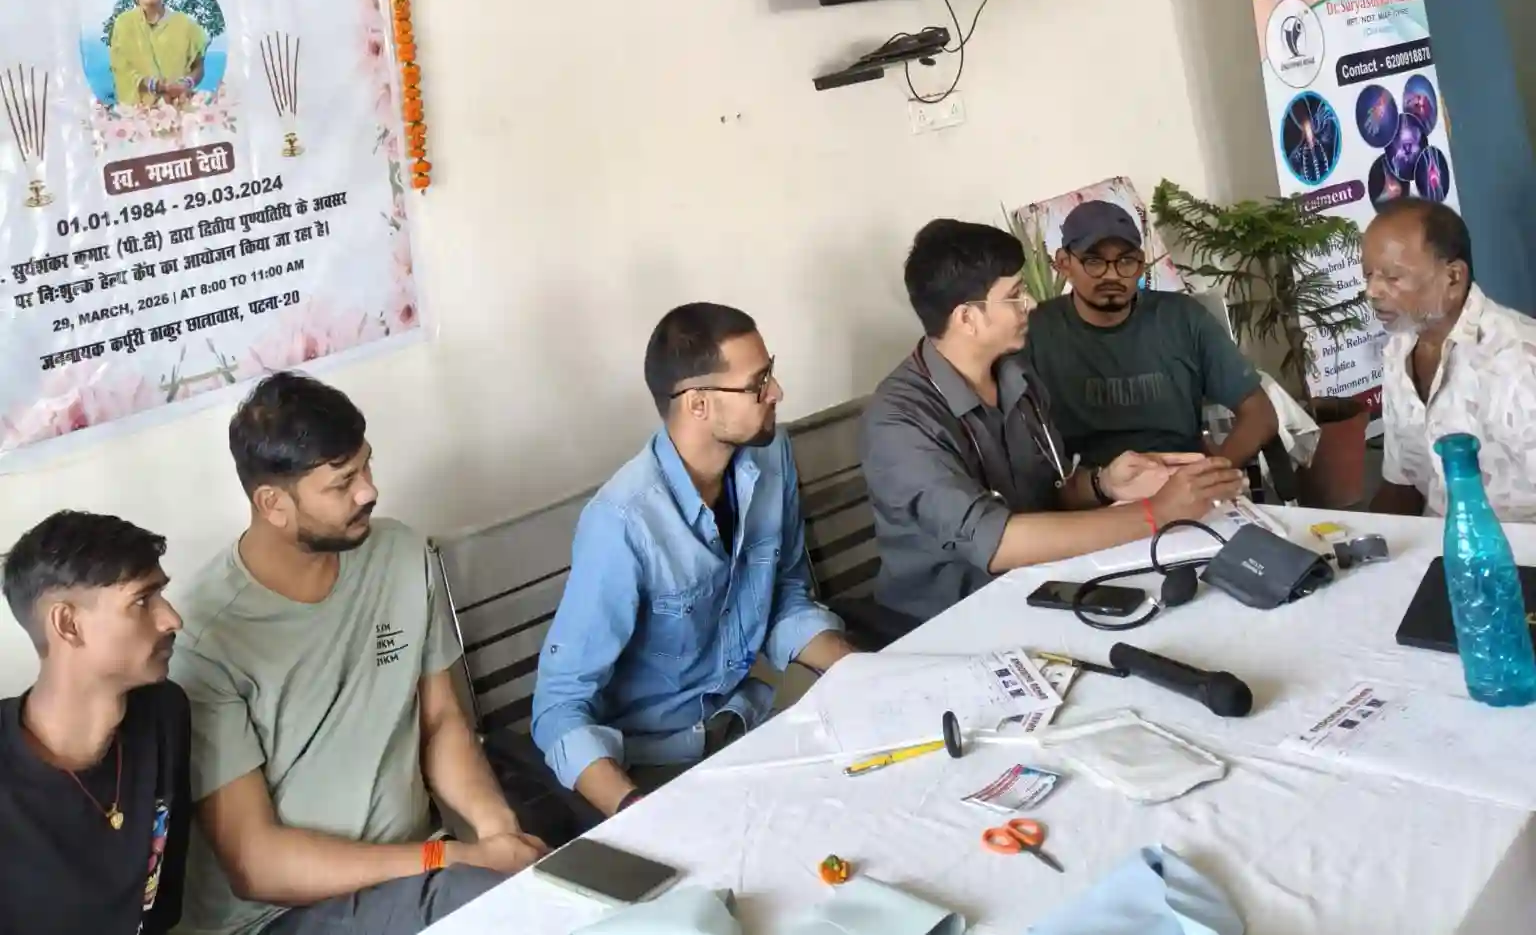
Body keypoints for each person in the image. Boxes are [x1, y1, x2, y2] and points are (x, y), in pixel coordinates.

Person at [170, 372, 548, 935]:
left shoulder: (399, 555)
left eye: (367, 466)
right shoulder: (205, 639)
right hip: (285, 914)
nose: (368, 491)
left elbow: (442, 722)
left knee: (548, 885)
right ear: (272, 504)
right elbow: (257, 864)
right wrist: (449, 858)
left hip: (418, 873)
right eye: (342, 482)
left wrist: (495, 831)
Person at [532, 303, 854, 818]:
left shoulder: (771, 455)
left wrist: (863, 673)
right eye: (759, 383)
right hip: (652, 769)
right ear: (698, 404)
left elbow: (785, 597)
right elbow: (559, 707)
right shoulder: (622, 523)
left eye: (770, 371)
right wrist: (639, 812)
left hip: (747, 728)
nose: (777, 392)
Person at [860, 220, 1248, 624]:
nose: (1029, 304)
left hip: (1042, 586)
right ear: (968, 318)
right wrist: (1157, 513)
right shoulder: (898, 423)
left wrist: (1106, 484)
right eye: (1014, 295)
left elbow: (1053, 490)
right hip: (949, 620)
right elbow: (997, 544)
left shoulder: (1017, 376)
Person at [1, 511, 189, 935]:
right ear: (68, 624)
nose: (172, 619)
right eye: (142, 600)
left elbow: (160, 912)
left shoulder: (165, 713)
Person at [1026, 200, 1278, 471]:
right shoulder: (1036, 330)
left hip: (1182, 479)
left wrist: (1212, 472)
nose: (1112, 275)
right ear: (1064, 264)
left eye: (1126, 261)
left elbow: (1259, 413)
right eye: (1094, 261)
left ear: (1141, 264)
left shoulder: (1182, 318)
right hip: (1088, 489)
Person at [1365, 198, 1536, 520]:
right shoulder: (1399, 351)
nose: (1372, 291)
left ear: (1453, 278)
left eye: (1392, 277)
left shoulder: (1519, 361)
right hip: (1439, 542)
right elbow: (1403, 485)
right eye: (1368, 276)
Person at [108, 0, 206, 107]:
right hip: (138, 111)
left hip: (179, 108)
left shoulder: (186, 24)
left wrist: (186, 84)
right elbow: (121, 68)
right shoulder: (124, 24)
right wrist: (155, 85)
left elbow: (198, 66)